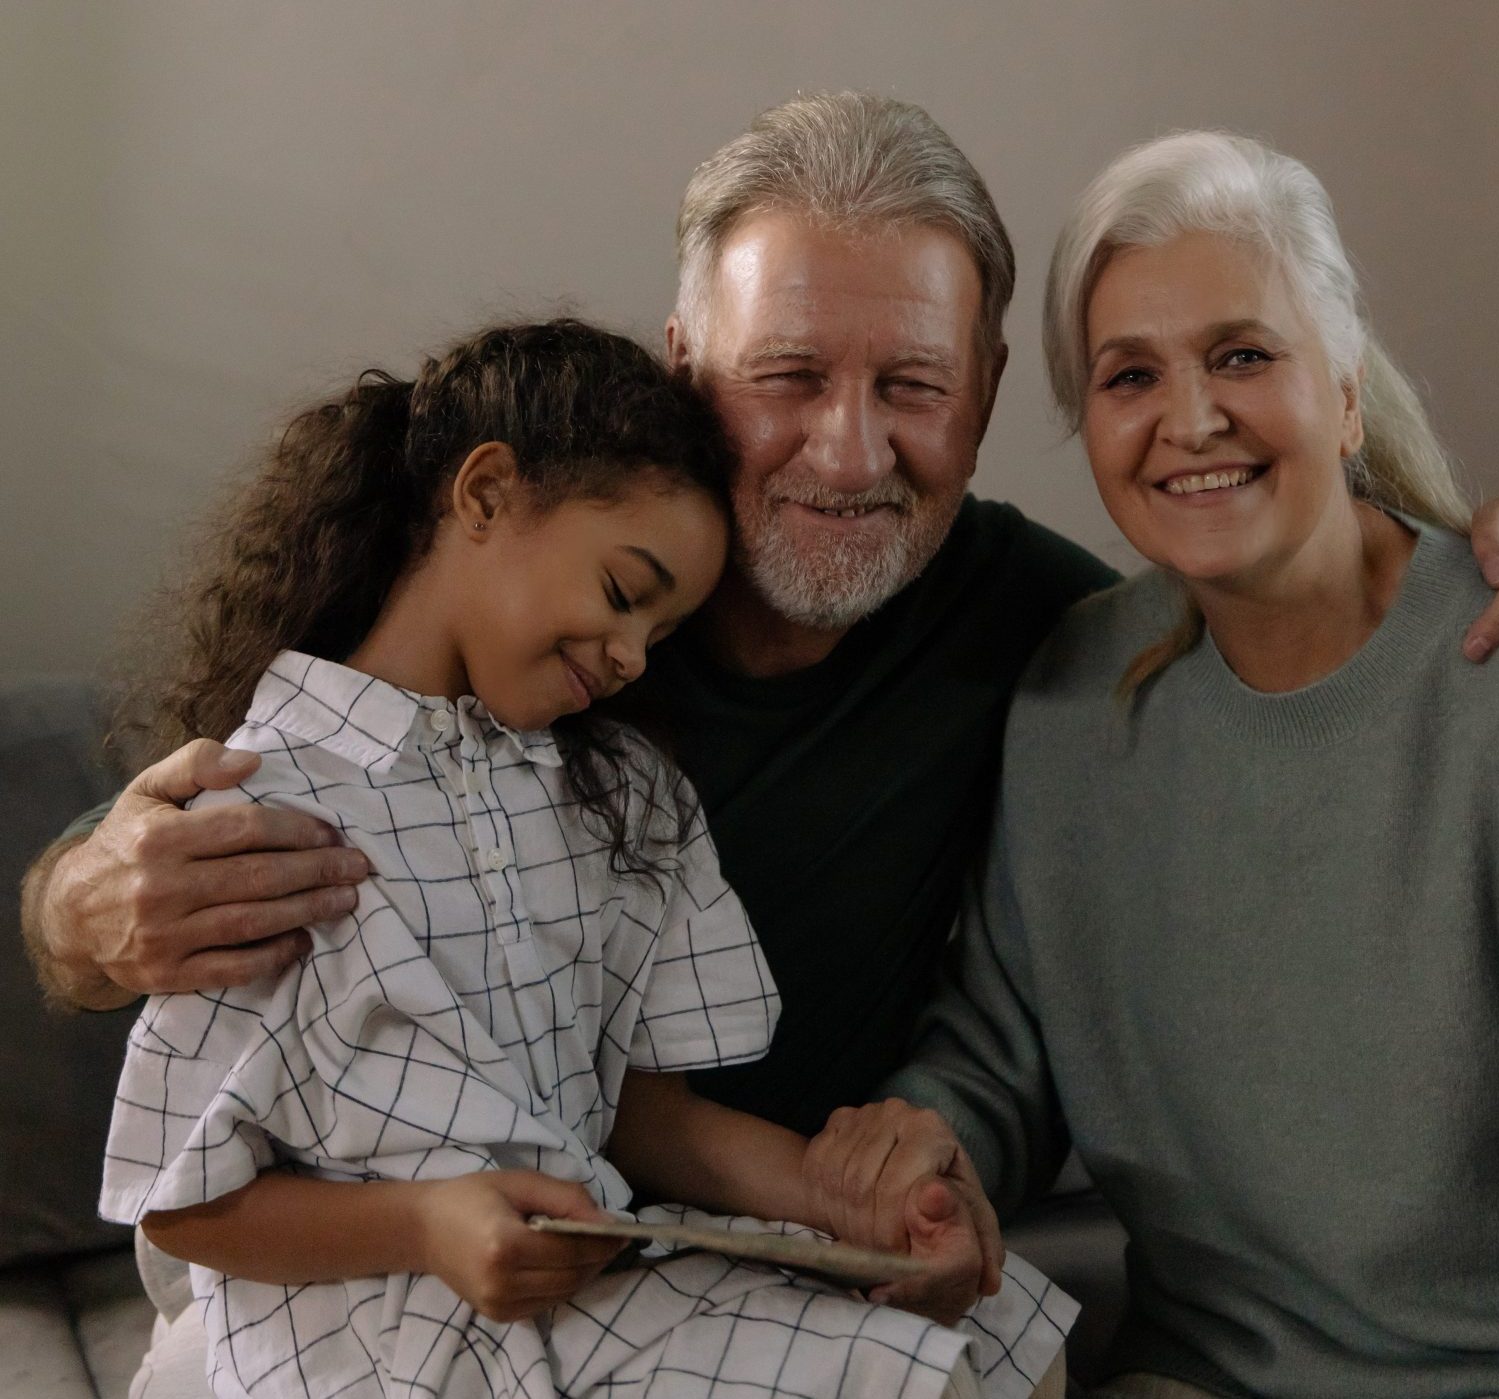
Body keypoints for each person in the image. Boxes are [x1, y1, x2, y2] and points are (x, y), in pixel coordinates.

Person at [17, 91, 1499, 1389]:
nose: (849, 446)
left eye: (915, 384)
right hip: (412, 1287)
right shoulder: (528, 635)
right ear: (684, 368)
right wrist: (83, 899)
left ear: (1001, 390)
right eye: (788, 374)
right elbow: (151, 895)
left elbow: (1280, 595)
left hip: (776, 1251)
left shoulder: (1062, 635)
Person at [810, 133, 1499, 1397]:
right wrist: (923, 1146)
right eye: (1129, 376)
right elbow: (1000, 1053)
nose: (1189, 419)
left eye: (1241, 354)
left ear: (1344, 392)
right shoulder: (1071, 697)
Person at [99, 316, 1075, 1399]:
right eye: (623, 593)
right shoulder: (257, 811)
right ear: (483, 497)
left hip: (580, 1285)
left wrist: (835, 1196)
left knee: (1007, 1326)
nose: (627, 657)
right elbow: (184, 1201)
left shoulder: (613, 789)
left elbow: (636, 1113)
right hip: (370, 1333)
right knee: (918, 1382)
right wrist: (427, 1223)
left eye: (659, 635)